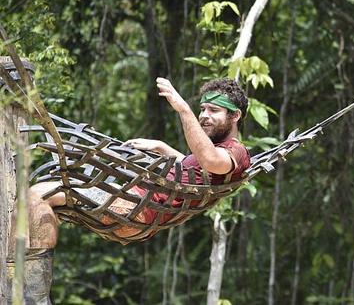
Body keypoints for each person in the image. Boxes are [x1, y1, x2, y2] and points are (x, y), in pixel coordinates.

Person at [7, 77, 250, 304]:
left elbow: (209, 159)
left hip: (135, 208)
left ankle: (31, 297)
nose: (204, 116)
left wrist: (183, 109)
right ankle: (20, 288)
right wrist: (163, 147)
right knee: (33, 202)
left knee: (38, 195)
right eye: (202, 109)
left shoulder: (236, 152)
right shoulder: (218, 154)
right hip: (132, 202)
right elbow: (194, 171)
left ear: (235, 116)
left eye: (214, 111)